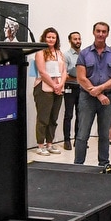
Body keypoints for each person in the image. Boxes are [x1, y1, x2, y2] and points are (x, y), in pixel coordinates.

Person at [74, 22, 111, 167]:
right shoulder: (84, 53)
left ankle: (104, 164)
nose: (101, 34)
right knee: (82, 133)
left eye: (104, 31)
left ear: (107, 33)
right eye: (98, 31)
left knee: (104, 134)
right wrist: (98, 94)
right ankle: (77, 165)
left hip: (109, 98)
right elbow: (81, 78)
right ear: (93, 32)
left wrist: (100, 89)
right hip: (87, 98)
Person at [32, 27, 65, 156]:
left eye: (53, 37)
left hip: (58, 88)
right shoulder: (40, 52)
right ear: (44, 38)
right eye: (49, 37)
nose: (51, 39)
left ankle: (50, 144)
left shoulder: (59, 53)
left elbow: (63, 71)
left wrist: (60, 84)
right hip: (44, 88)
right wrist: (54, 85)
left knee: (53, 118)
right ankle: (40, 145)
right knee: (43, 118)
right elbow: (42, 72)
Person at [60, 30, 82, 150]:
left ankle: (78, 139)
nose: (78, 41)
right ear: (70, 41)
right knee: (68, 114)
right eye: (75, 39)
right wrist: (78, 76)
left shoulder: (84, 54)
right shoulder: (66, 55)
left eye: (79, 39)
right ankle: (67, 140)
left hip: (81, 87)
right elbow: (64, 74)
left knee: (80, 115)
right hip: (69, 86)